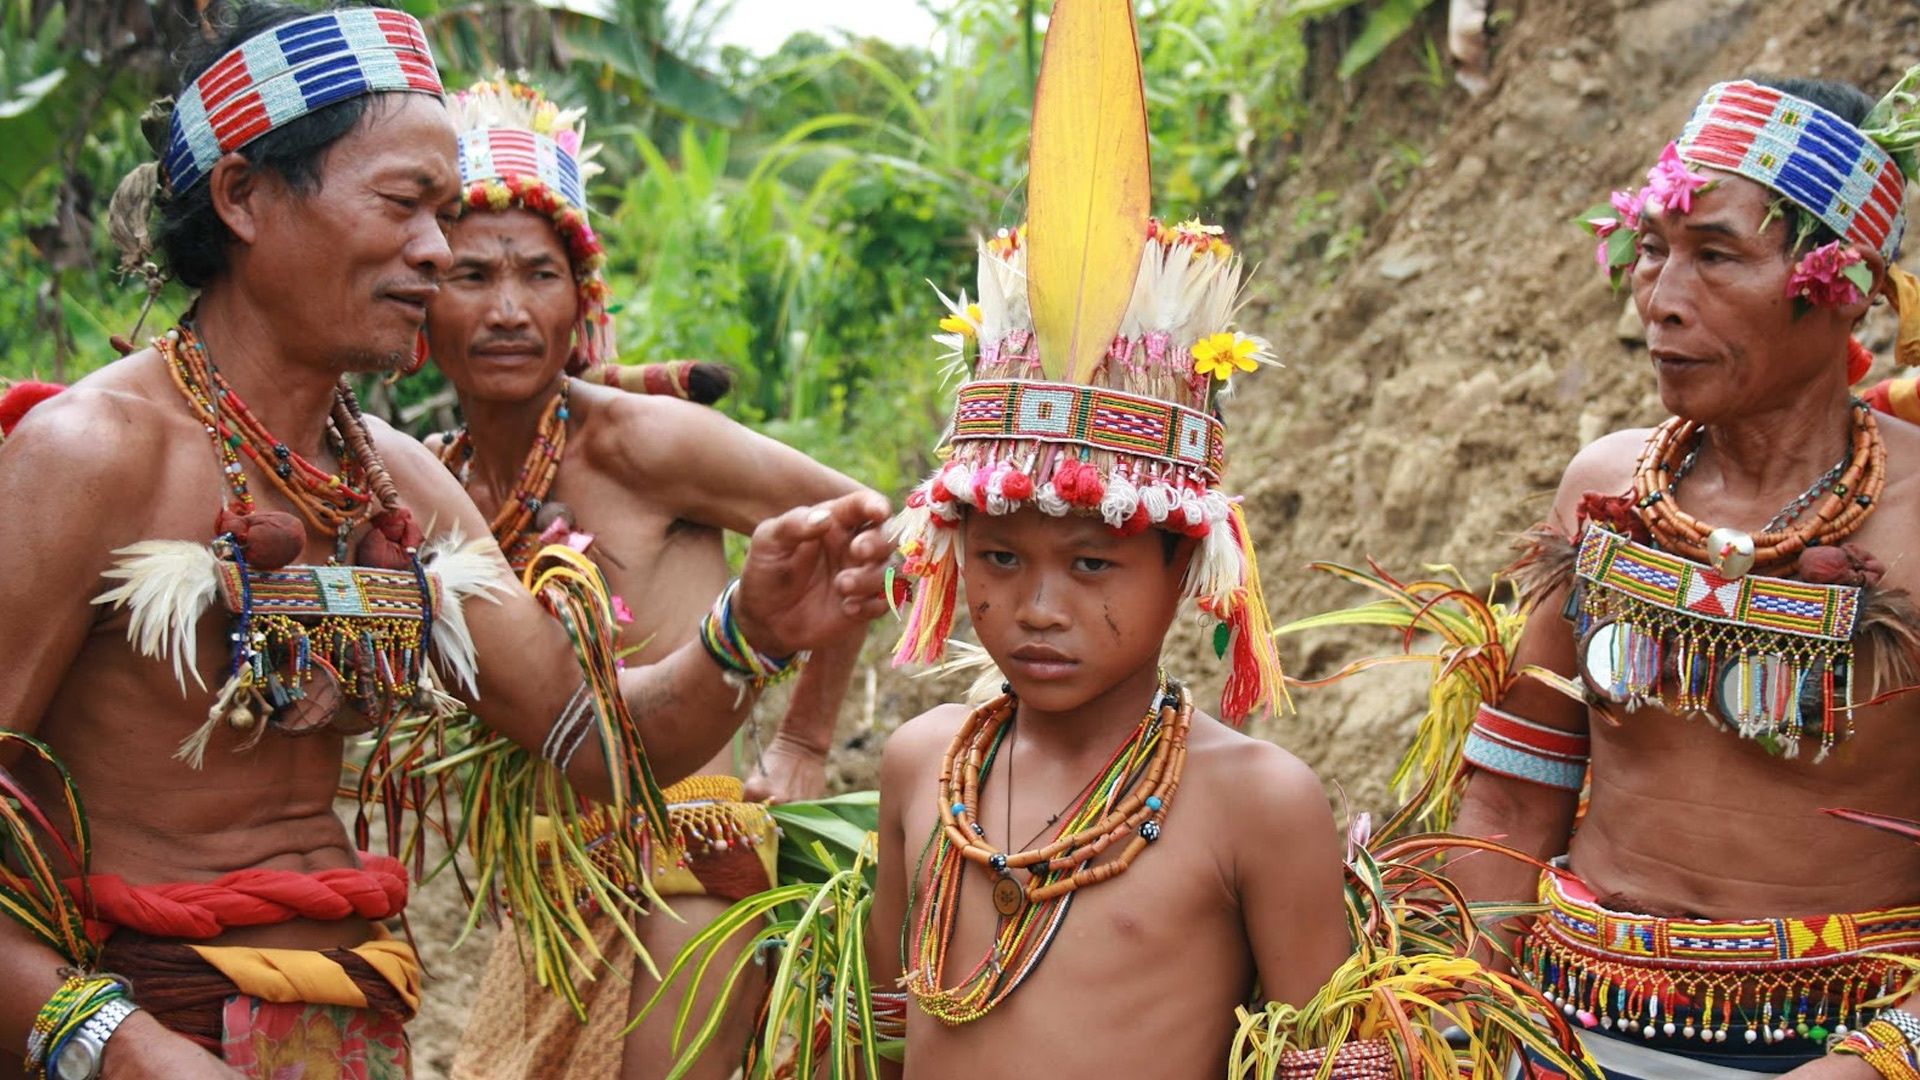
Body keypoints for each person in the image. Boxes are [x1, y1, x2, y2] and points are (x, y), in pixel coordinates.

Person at [0, 5, 891, 1077]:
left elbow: (590, 743)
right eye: (403, 204)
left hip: (358, 1026)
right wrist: (115, 1044)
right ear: (243, 196)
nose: (434, 250)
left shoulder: (394, 479)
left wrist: (743, 634)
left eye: (445, 212)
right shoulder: (92, 454)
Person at [859, 4, 1357, 1075]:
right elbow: (885, 1035)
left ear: (1185, 567)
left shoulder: (1256, 806)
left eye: (1093, 564)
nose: (1039, 608)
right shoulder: (919, 769)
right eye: (998, 558)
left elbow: (1329, 1062)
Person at [1447, 72, 1920, 1078]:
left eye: (1716, 256)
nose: (1661, 302)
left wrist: (1881, 1060)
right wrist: (1460, 1005)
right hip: (1560, 1028)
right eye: (1653, 250)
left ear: (1849, 289)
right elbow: (1514, 790)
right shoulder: (1605, 487)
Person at [421, 78, 868, 1080]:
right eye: (470, 274)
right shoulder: (435, 482)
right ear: (418, 298)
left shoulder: (639, 440)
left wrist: (803, 740)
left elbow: (868, 528)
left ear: (580, 302)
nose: (505, 309)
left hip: (691, 862)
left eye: (537, 275)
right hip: (545, 882)